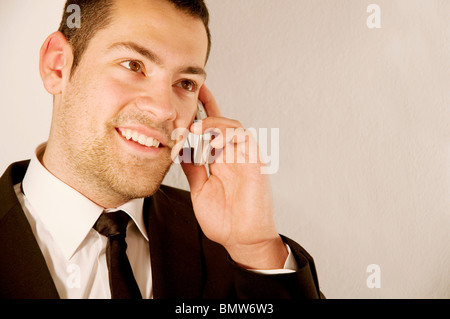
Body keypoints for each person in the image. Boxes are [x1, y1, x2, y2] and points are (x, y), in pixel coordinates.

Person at [0, 0, 323, 299]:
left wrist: (256, 249)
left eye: (185, 83)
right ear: (58, 66)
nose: (165, 110)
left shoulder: (229, 247)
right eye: (133, 65)